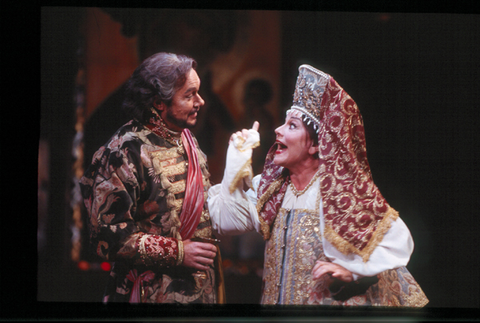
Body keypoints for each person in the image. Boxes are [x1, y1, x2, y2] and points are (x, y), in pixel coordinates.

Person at [208, 64, 429, 306]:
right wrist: (235, 161)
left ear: (316, 144)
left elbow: (396, 240)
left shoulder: (338, 192)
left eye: (292, 125)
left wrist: (354, 271)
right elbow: (225, 221)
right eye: (284, 123)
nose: (278, 130)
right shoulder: (273, 187)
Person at [80, 52, 224, 303]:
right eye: (189, 95)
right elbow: (109, 235)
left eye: (197, 92)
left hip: (201, 293)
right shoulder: (123, 151)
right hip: (148, 292)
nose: (200, 101)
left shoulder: (188, 140)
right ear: (159, 102)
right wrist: (178, 253)